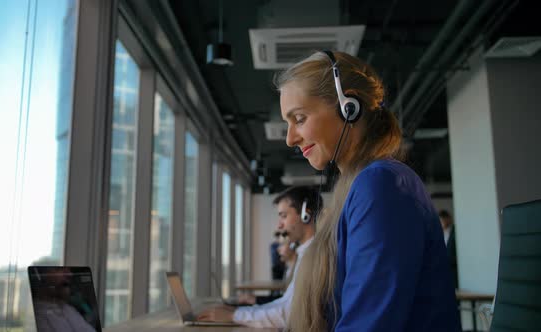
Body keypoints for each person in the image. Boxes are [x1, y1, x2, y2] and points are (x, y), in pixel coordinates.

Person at [276, 50, 460, 331]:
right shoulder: (361, 186)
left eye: (299, 119)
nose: (290, 139)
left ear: (347, 106)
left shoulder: (380, 186)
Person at [197, 186, 322, 328]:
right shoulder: (306, 253)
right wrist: (239, 311)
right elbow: (284, 304)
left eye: (284, 216)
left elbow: (290, 314)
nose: (279, 225)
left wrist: (235, 315)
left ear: (306, 214)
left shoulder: (316, 256)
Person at [440, 209, 458, 288]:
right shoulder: (441, 234)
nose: (441, 223)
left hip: (454, 269)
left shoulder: (455, 231)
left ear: (448, 218)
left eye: (442, 220)